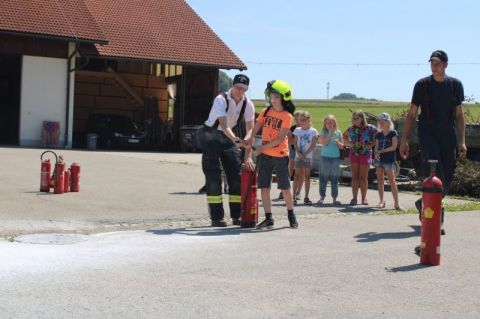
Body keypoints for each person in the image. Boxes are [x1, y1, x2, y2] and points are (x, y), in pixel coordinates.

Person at [400, 50, 467, 237]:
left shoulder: (455, 85)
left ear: (445, 64)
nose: (434, 66)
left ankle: (424, 203)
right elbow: (412, 114)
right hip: (428, 136)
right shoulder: (422, 85)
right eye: (432, 63)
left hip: (447, 136)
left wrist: (461, 141)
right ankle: (437, 218)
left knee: (449, 176)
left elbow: (460, 115)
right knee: (435, 174)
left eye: (437, 63)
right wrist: (404, 140)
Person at [202, 74, 256, 227]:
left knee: (236, 176)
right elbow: (224, 125)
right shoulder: (221, 99)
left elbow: (251, 128)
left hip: (229, 136)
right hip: (211, 135)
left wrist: (247, 146)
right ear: (233, 85)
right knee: (213, 177)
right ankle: (217, 217)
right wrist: (237, 141)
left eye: (243, 89)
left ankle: (237, 215)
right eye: (238, 87)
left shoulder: (248, 104)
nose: (240, 91)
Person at [249, 80, 298, 229]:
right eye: (271, 96)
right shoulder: (265, 112)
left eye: (276, 96)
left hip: (280, 154)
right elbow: (254, 128)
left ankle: (291, 214)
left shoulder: (287, 116)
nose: (273, 99)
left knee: (284, 187)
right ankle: (269, 218)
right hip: (265, 155)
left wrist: (260, 149)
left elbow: (279, 139)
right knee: (264, 187)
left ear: (283, 98)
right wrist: (247, 140)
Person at [343, 110, 377, 205]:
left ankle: (364, 198)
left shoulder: (370, 128)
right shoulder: (350, 129)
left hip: (365, 153)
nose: (355, 120)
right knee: (354, 176)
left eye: (357, 118)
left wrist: (372, 144)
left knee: (363, 177)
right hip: (354, 153)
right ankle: (354, 198)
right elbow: (344, 135)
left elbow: (379, 136)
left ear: (362, 118)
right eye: (353, 119)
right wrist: (349, 143)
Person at [374, 112, 403, 210]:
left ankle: (397, 203)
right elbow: (376, 147)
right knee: (380, 180)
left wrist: (382, 151)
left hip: (389, 160)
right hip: (379, 160)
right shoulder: (378, 134)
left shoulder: (393, 133)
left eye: (383, 121)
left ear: (388, 122)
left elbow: (394, 147)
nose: (381, 123)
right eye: (380, 122)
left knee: (392, 181)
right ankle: (381, 201)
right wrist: (376, 153)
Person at [292, 111, 318, 205]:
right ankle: (294, 196)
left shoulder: (313, 131)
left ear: (309, 120)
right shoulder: (297, 130)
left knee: (307, 177)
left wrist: (305, 154)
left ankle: (306, 197)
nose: (302, 122)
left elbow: (313, 144)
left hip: (308, 157)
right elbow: (294, 142)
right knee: (296, 176)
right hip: (298, 156)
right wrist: (299, 153)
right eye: (300, 120)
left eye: (304, 120)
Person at [318, 114, 343, 205]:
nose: (329, 124)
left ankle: (334, 198)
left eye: (331, 122)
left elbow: (342, 147)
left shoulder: (339, 132)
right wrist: (330, 133)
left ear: (334, 123)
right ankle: (322, 197)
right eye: (327, 123)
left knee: (334, 178)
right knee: (323, 177)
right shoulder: (323, 132)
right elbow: (324, 143)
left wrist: (338, 143)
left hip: (335, 158)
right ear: (325, 124)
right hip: (325, 157)